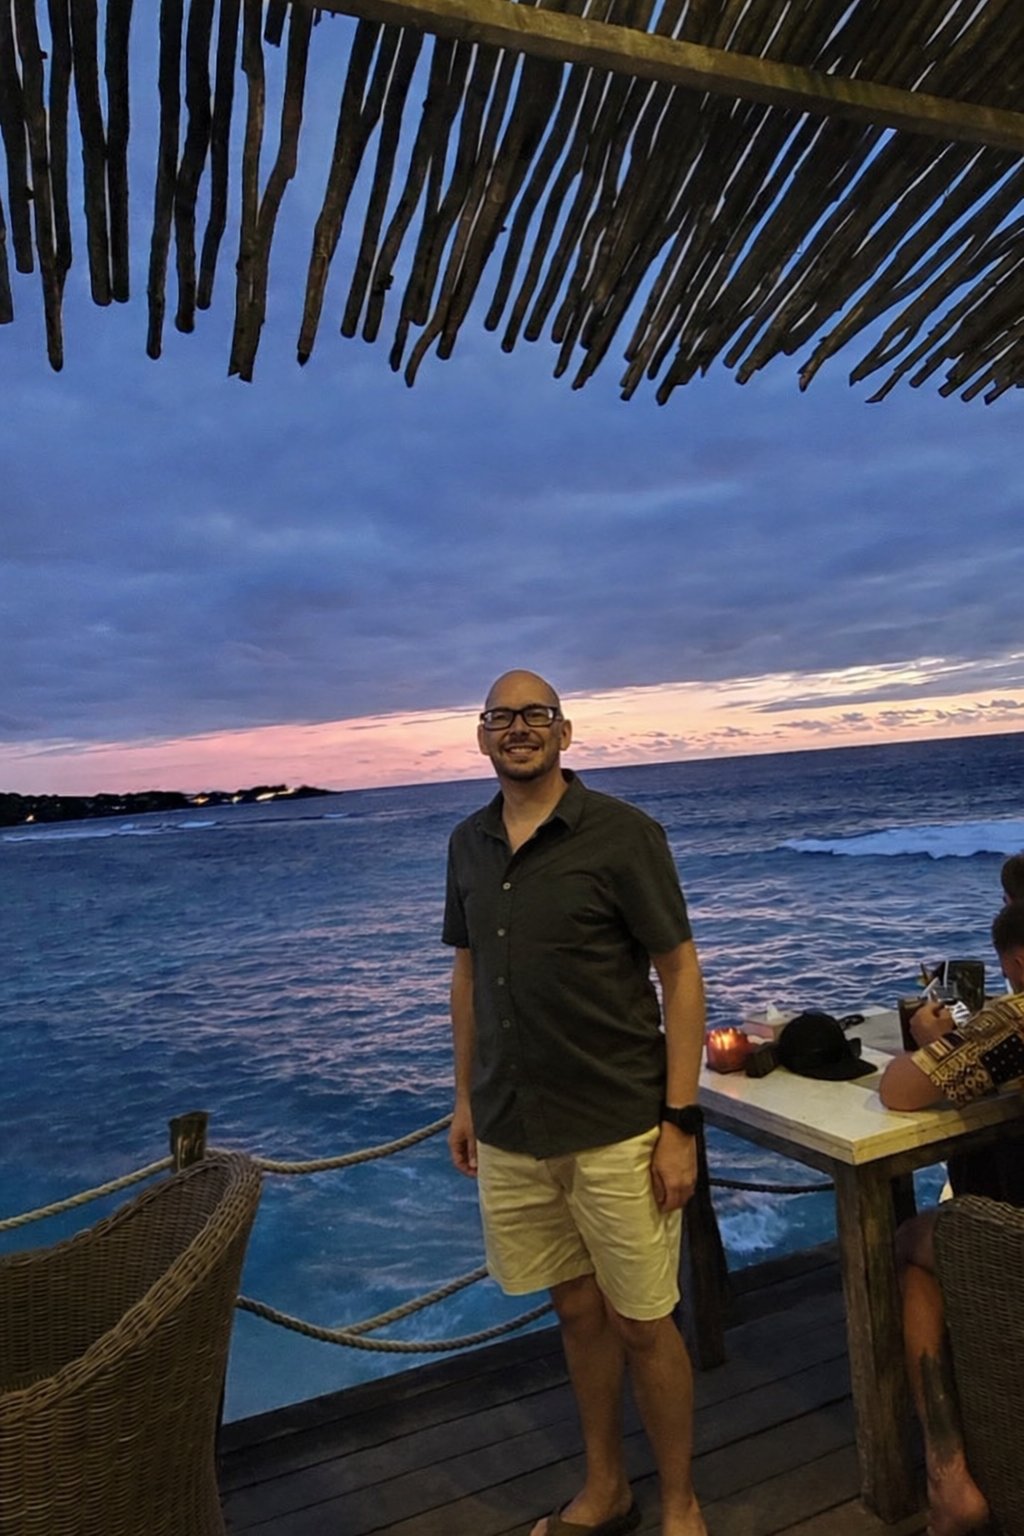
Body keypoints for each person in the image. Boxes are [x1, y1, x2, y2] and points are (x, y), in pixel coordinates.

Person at [443, 669, 708, 1536]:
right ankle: (607, 1488)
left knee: (643, 1322)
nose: (518, 728)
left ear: (565, 732)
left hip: (618, 1127)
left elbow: (679, 973)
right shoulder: (468, 844)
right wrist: (464, 1098)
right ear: (482, 737)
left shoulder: (624, 834)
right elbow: (470, 971)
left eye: (535, 715)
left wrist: (680, 1125)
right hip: (515, 1128)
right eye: (502, 717)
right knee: (575, 1312)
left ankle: (679, 1503)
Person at [879, 900, 1024, 1536]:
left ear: (1016, 963)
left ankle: (948, 1480)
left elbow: (900, 1092)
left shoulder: (1016, 1019)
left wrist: (935, 1045)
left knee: (911, 1243)